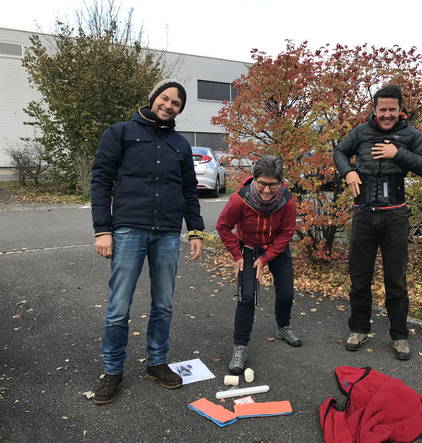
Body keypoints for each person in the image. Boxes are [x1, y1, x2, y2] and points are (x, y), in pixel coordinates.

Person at [91, 79, 204, 404]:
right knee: (118, 307)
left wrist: (194, 230)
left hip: (168, 233)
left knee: (164, 304)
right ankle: (112, 370)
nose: (169, 105)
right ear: (153, 97)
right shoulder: (121, 133)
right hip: (128, 229)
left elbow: (188, 190)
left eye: (176, 104)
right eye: (165, 99)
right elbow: (101, 179)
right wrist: (103, 229)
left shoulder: (180, 145)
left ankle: (156, 363)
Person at [333, 85, 422, 360]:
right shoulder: (360, 132)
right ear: (374, 109)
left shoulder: (410, 135)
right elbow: (339, 153)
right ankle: (359, 328)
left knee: (396, 280)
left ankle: (399, 335)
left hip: (395, 216)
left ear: (400, 109)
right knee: (359, 278)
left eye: (392, 109)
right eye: (383, 109)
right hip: (364, 215)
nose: (387, 114)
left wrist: (398, 154)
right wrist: (348, 172)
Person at [216, 155, 301, 375]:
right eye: (262, 183)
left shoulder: (287, 200)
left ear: (280, 183)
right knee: (247, 297)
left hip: (276, 248)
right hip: (248, 248)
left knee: (286, 292)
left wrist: (266, 259)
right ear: (254, 179)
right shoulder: (239, 200)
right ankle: (240, 346)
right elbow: (223, 227)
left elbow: (287, 232)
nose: (266, 190)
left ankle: (283, 327)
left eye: (272, 185)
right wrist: (237, 255)